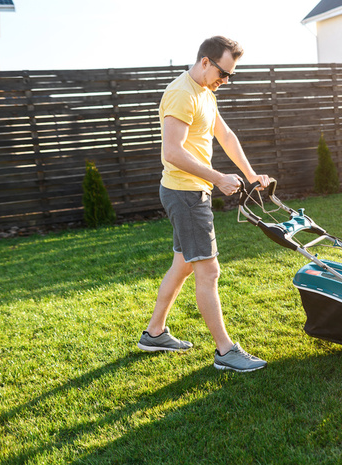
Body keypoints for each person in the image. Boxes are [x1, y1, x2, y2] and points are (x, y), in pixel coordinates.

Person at [137, 36, 270, 372]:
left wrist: (250, 175)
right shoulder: (182, 93)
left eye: (230, 76)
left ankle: (154, 333)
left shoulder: (206, 93)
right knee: (208, 271)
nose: (225, 80)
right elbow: (172, 152)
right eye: (223, 72)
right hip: (185, 194)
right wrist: (218, 178)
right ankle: (226, 352)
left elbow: (225, 136)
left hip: (191, 192)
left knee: (183, 264)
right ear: (206, 61)